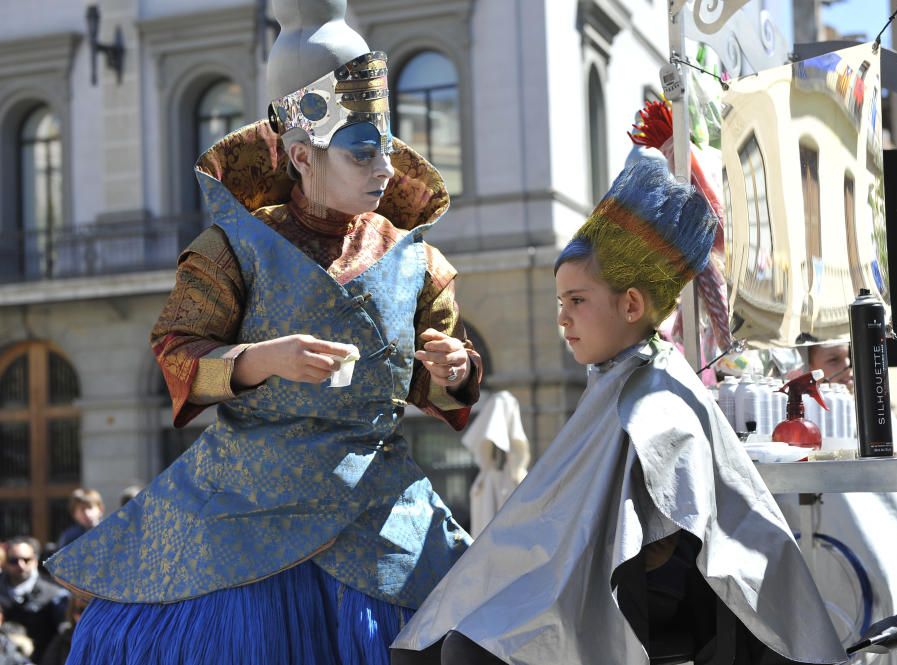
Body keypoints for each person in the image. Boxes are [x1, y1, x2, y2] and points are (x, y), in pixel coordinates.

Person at [44, 3, 479, 663]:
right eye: (364, 153)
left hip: (380, 514)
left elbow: (438, 380)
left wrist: (456, 369)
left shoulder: (414, 258)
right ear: (302, 154)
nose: (385, 171)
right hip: (244, 509)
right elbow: (177, 354)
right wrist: (258, 360)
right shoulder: (233, 248)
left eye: (387, 151)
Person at [391, 157, 846, 665]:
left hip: (641, 606)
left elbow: (663, 550)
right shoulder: (621, 380)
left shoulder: (656, 402)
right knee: (433, 645)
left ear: (631, 305)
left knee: (465, 650)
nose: (562, 318)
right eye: (560, 301)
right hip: (579, 583)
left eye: (577, 300)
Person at [0, 537, 68, 659]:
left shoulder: (54, 592)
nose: (20, 565)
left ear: (36, 560)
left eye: (26, 560)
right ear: (5, 562)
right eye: (13, 561)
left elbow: (63, 633)